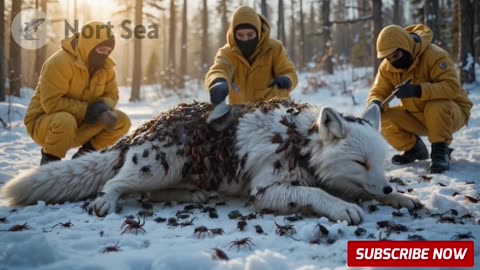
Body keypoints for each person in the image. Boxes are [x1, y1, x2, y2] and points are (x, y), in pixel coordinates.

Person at [367, 24, 472, 173]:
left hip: (452, 113)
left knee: (435, 105)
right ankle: (414, 149)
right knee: (383, 115)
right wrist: (375, 102)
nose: (392, 62)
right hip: (418, 116)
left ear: (405, 47)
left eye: (396, 56)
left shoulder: (435, 55)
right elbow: (378, 90)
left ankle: (440, 151)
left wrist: (417, 90)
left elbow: (452, 87)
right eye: (388, 58)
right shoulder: (387, 67)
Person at [24, 21, 131, 165]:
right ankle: (49, 166)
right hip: (45, 124)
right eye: (101, 50)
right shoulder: (60, 62)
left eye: (108, 51)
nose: (105, 55)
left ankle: (82, 161)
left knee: (121, 121)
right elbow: (51, 103)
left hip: (81, 123)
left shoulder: (107, 68)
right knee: (65, 120)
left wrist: (102, 106)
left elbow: (112, 95)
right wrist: (88, 110)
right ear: (89, 46)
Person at [205, 5, 298, 105]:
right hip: (242, 112)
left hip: (275, 109)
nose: (245, 39)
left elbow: (290, 72)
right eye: (240, 35)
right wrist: (218, 81)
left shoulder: (274, 48)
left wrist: (287, 79)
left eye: (250, 34)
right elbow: (219, 69)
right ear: (233, 33)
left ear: (258, 32)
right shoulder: (227, 52)